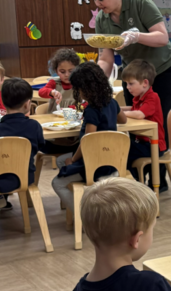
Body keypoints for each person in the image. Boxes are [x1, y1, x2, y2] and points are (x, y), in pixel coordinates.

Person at [90, 0, 171, 113]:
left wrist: (136, 37)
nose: (97, 4)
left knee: (159, 119)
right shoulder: (101, 19)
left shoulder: (139, 2)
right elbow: (106, 58)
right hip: (132, 74)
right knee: (133, 118)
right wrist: (97, 81)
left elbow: (162, 37)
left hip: (161, 69)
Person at [52, 62, 122, 213]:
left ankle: (83, 215)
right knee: (61, 160)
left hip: (95, 164)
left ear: (85, 89)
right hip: (113, 161)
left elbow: (88, 141)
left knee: (57, 182)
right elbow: (123, 120)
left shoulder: (92, 110)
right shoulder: (112, 102)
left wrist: (74, 160)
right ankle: (84, 195)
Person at [120, 60, 167, 191]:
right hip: (143, 143)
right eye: (126, 84)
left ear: (145, 83)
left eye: (131, 84)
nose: (128, 87)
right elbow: (133, 109)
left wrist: (122, 114)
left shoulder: (152, 97)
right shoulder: (139, 97)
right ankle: (136, 184)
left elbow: (139, 114)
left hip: (154, 144)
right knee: (124, 149)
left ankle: (135, 187)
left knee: (125, 152)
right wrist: (117, 108)